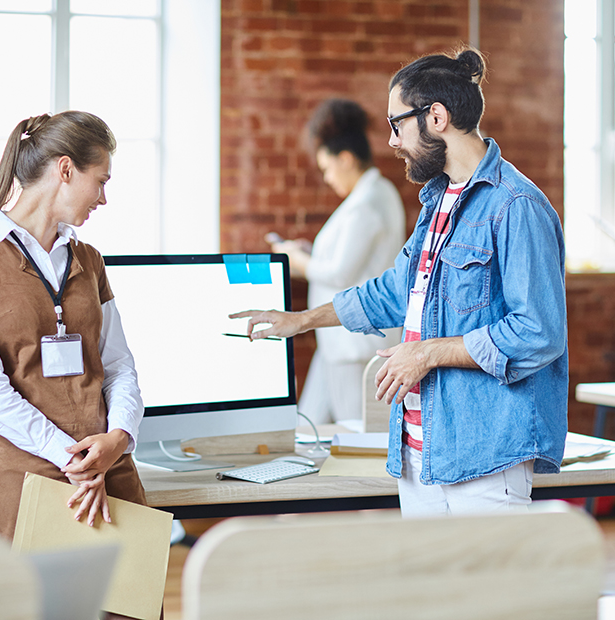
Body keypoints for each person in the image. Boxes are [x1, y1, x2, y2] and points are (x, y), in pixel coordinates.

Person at [232, 48, 568, 517]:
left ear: (436, 117)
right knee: (424, 594)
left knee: (476, 593)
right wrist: (302, 320)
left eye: (397, 124)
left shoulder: (516, 207)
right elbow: (396, 290)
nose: (391, 141)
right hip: (417, 452)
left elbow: (538, 331)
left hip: (484, 456)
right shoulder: (437, 202)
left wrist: (428, 352)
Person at [0, 111, 147, 540]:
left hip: (106, 469)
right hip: (25, 475)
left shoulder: (89, 259)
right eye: (102, 181)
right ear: (66, 169)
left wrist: (120, 436)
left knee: (130, 606)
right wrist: (69, 458)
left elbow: (119, 366)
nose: (103, 198)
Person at [267, 98, 405, 426]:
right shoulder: (374, 195)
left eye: (327, 169)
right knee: (307, 426)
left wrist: (297, 259)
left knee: (357, 433)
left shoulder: (366, 203)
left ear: (345, 159)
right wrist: (310, 254)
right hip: (337, 343)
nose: (328, 179)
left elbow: (342, 272)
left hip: (353, 345)